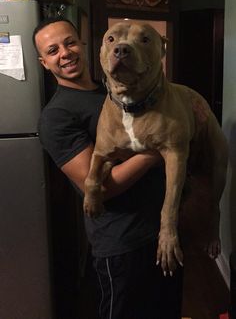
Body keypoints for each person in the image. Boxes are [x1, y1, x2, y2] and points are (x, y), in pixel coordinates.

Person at [33, 17, 183, 319]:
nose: (65, 53)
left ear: (86, 46)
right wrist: (161, 151)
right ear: (44, 62)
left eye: (70, 42)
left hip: (161, 234)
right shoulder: (57, 116)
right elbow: (105, 187)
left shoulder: (115, 90)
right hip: (121, 243)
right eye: (52, 51)